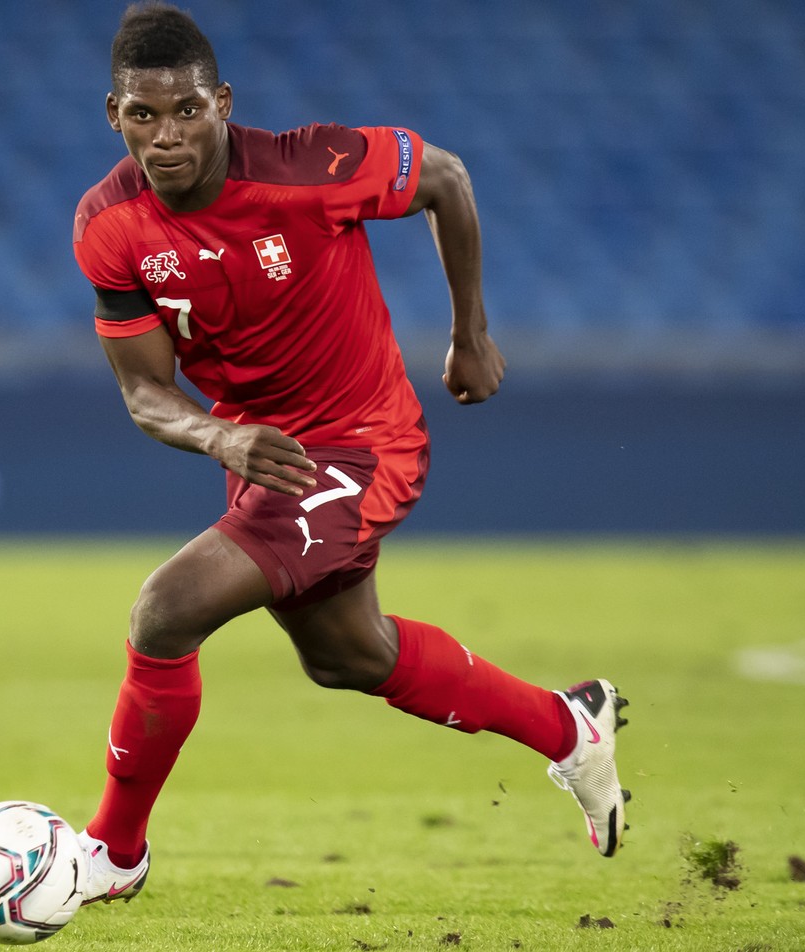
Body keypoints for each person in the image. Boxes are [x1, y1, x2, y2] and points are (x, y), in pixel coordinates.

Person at [70, 2, 629, 904]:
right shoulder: (109, 227)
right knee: (346, 656)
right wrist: (222, 434)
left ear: (223, 102)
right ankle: (570, 730)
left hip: (365, 440)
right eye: (143, 115)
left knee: (165, 614)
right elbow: (144, 390)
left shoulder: (310, 166)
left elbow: (444, 176)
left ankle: (113, 854)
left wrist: (469, 335)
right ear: (113, 115)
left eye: (186, 111)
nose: (165, 135)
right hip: (268, 457)